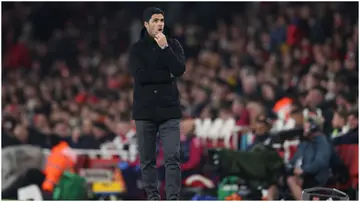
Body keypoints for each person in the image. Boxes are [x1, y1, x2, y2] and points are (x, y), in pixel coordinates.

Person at [128, 7, 186, 200]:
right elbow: (141, 76)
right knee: (147, 160)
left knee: (172, 158)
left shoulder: (173, 45)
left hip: (169, 110)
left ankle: (173, 198)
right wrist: (165, 74)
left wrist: (165, 49)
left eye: (161, 20)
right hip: (145, 111)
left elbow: (178, 70)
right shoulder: (136, 49)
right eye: (155, 20)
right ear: (146, 24)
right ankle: (153, 198)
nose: (160, 24)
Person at [286, 113, 331, 200]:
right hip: (303, 176)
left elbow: (320, 162)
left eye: (306, 126)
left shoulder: (322, 142)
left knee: (291, 180)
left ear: (314, 127)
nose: (304, 129)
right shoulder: (305, 143)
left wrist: (304, 171)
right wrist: (291, 168)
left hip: (316, 177)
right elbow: (294, 160)